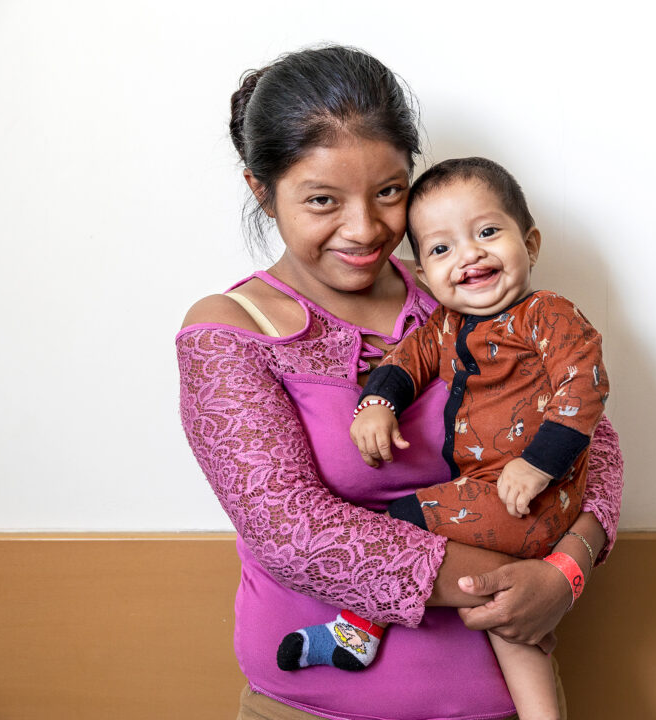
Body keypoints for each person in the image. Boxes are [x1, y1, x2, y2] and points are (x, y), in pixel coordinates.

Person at [177, 45, 623, 720]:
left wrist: (565, 573)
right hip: (316, 712)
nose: (365, 229)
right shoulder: (228, 331)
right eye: (322, 200)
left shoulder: (462, 289)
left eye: (388, 192)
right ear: (261, 189)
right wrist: (505, 584)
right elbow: (293, 533)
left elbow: (595, 447)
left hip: (505, 705)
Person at [279, 157, 608, 719]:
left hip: (528, 495)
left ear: (529, 243)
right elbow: (408, 361)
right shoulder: (445, 327)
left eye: (487, 233)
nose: (470, 255)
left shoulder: (546, 314)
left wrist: (538, 463)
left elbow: (585, 384)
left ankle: (356, 633)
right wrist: (379, 405)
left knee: (403, 519)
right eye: (441, 249)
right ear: (426, 276)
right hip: (496, 501)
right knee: (507, 618)